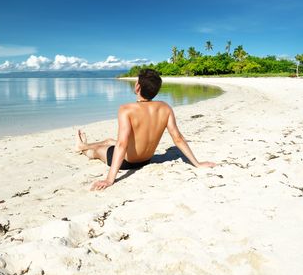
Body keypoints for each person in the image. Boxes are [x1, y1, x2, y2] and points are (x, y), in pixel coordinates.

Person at [75, 69, 216, 191]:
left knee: (96, 152)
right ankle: (84, 145)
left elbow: (122, 145)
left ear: (137, 87)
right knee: (109, 141)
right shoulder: (165, 107)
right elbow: (178, 138)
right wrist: (197, 163)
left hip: (127, 162)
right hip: (146, 160)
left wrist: (109, 179)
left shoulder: (126, 109)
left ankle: (84, 148)